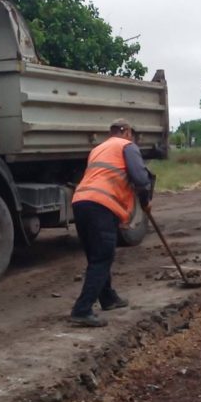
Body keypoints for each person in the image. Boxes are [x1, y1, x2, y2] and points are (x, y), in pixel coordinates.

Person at [69, 118, 153, 327]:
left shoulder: (98, 149)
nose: (133, 138)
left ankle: (108, 298)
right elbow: (141, 180)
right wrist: (145, 202)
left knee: (96, 256)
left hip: (81, 203)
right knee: (103, 257)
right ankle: (82, 309)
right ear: (126, 132)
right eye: (132, 134)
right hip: (102, 206)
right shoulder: (127, 146)